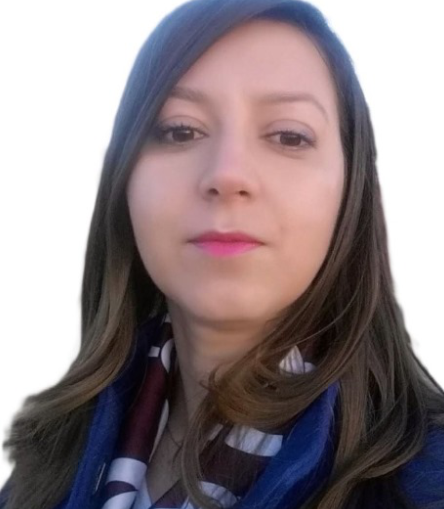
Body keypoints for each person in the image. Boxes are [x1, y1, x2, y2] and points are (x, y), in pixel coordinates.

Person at [1, 0, 444, 508]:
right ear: (124, 181)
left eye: (289, 135)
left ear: (352, 190)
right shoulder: (46, 467)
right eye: (180, 130)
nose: (227, 174)